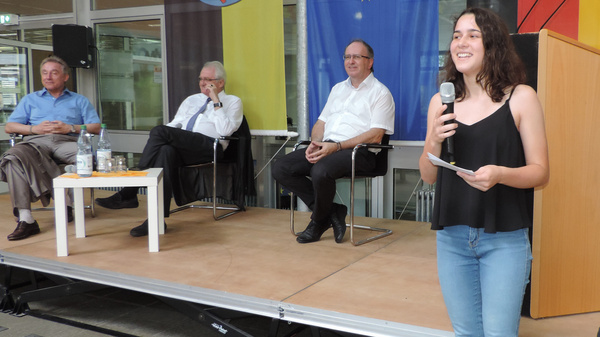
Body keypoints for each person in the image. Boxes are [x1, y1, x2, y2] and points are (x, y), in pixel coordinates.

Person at [418, 8, 550, 337]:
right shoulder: (440, 102)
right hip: (452, 239)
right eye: (457, 35)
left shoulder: (521, 98)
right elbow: (428, 175)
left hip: (504, 239)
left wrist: (500, 174)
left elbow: (540, 172)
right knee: (466, 333)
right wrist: (433, 141)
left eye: (473, 35)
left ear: (492, 45)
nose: (461, 42)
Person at [95, 61, 243, 237]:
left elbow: (226, 131)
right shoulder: (191, 100)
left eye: (208, 80)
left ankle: (130, 191)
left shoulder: (233, 101)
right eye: (201, 79)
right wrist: (166, 136)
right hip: (185, 147)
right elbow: (174, 125)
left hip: (211, 146)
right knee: (166, 151)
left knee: (159, 131)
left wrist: (215, 101)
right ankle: (156, 221)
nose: (203, 83)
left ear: (220, 83)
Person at [272, 39, 395, 244]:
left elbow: (376, 135)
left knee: (320, 170)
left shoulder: (381, 93)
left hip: (358, 152)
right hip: (328, 146)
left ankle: (318, 221)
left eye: (357, 56)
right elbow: (321, 122)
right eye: (347, 56)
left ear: (370, 62)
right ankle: (333, 211)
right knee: (281, 168)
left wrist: (336, 146)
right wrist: (315, 142)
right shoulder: (338, 88)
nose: (350, 61)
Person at [1, 55, 101, 241]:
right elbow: (10, 127)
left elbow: (96, 127)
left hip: (67, 142)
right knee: (13, 158)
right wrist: (33, 129)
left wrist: (71, 128)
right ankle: (26, 218)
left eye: (54, 73)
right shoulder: (30, 100)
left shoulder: (79, 100)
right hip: (36, 143)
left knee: (86, 157)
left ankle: (67, 205)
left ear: (65, 77)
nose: (48, 77)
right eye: (44, 73)